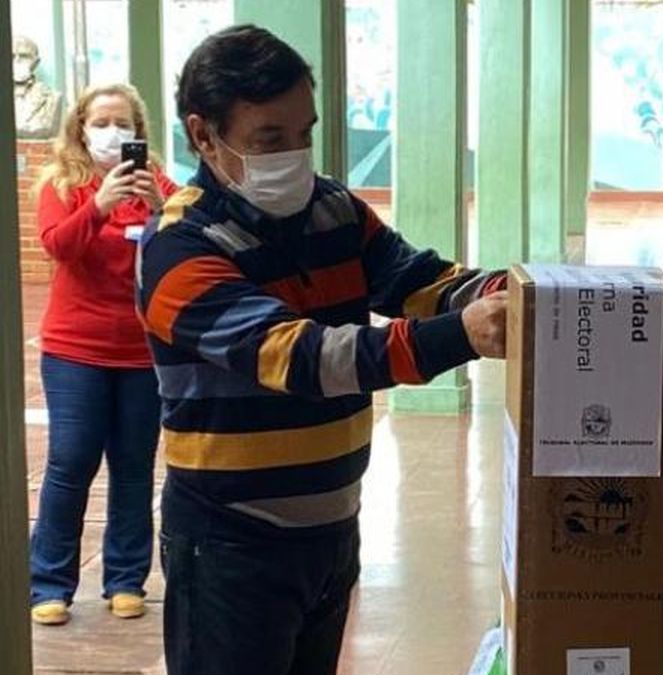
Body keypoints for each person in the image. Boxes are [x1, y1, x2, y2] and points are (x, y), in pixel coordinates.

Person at [136, 26, 507, 675]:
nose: (295, 155)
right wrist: (462, 334)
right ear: (203, 135)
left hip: (332, 533)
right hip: (230, 544)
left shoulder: (332, 208)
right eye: (270, 140)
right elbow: (304, 358)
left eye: (304, 133)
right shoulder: (179, 248)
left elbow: (415, 279)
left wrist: (510, 290)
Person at [28, 83, 177, 626]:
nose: (113, 133)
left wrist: (163, 209)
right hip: (75, 350)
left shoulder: (157, 183)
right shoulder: (62, 183)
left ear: (139, 131)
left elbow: (192, 242)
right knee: (70, 462)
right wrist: (99, 206)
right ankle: (48, 582)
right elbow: (57, 245)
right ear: (80, 127)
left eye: (124, 124)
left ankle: (125, 579)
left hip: (141, 352)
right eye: (101, 122)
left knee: (135, 467)